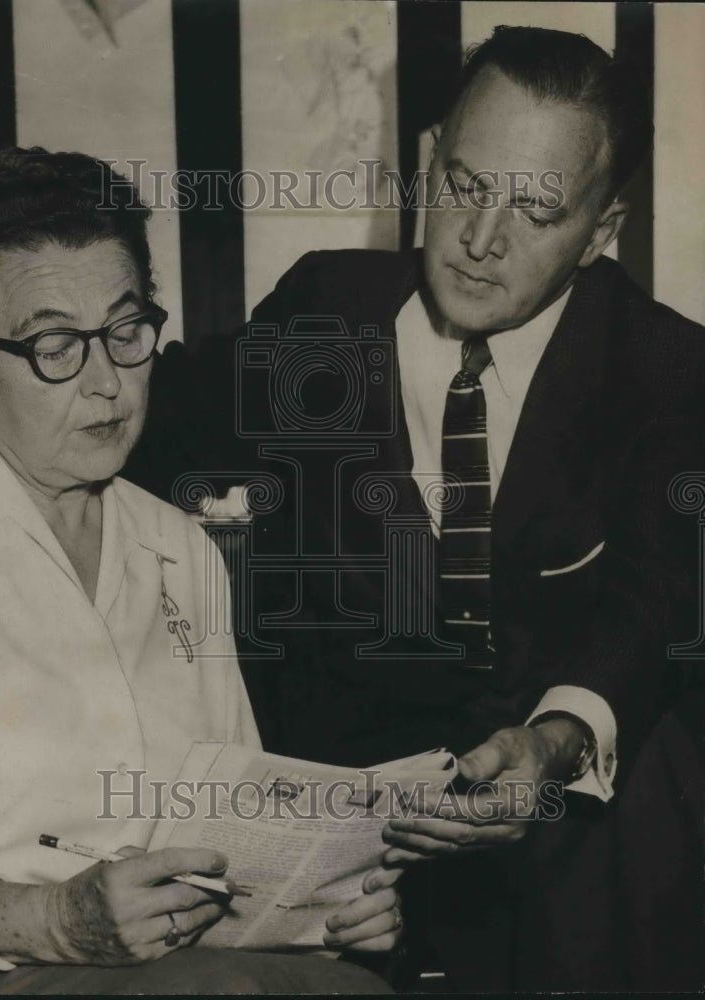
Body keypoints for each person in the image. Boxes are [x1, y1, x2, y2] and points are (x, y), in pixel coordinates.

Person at [124, 27, 705, 990]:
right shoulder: (322, 311)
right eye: (468, 186)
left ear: (602, 232)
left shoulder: (665, 372)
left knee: (649, 779)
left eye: (536, 210)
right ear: (428, 160)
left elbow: (653, 599)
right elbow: (137, 423)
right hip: (345, 839)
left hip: (561, 835)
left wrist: (553, 748)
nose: (481, 240)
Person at [0, 149, 401, 995]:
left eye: (126, 332)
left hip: (158, 970)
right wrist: (52, 922)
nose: (107, 383)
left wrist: (326, 903)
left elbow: (228, 832)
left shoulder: (178, 545)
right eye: (55, 344)